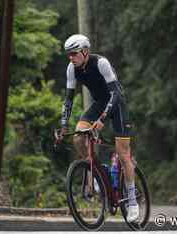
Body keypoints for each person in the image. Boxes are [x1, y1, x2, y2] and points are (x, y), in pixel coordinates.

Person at [59, 34, 139, 222]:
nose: (71, 57)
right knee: (79, 136)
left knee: (123, 154)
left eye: (74, 53)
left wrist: (103, 118)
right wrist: (63, 124)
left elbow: (115, 93)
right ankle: (97, 172)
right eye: (68, 54)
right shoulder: (72, 69)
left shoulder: (101, 63)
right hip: (99, 104)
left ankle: (133, 202)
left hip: (117, 104)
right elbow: (68, 99)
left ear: (85, 52)